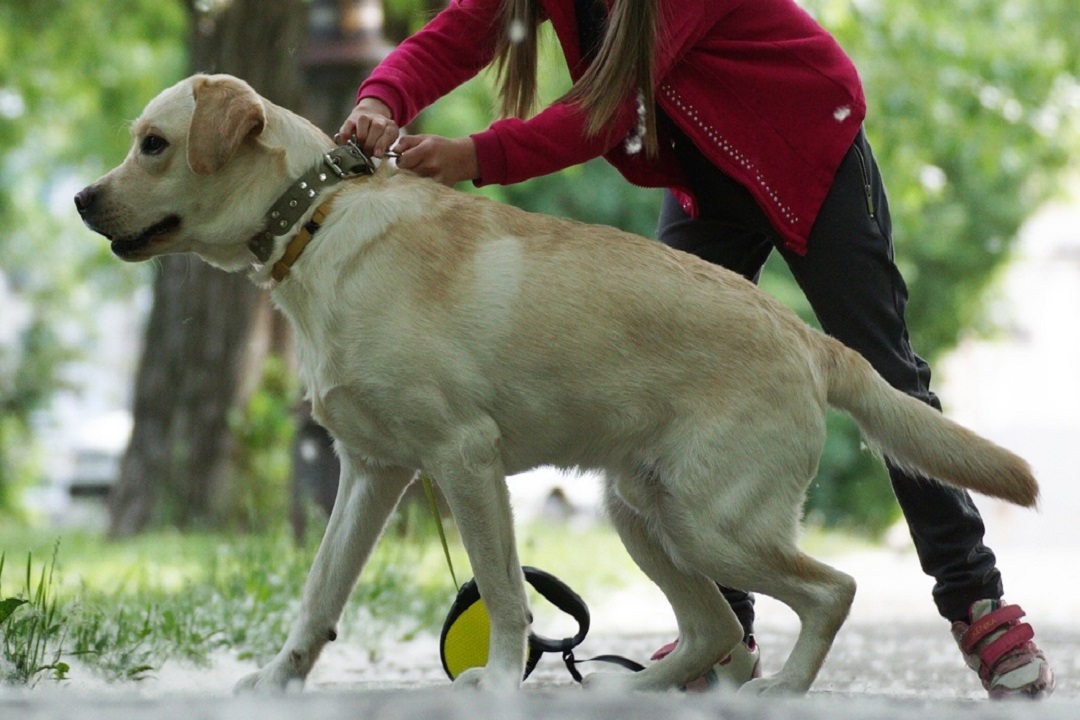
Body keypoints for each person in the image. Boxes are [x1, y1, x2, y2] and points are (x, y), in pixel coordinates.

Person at [337, 0, 1054, 699]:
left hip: (805, 154)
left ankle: (978, 607)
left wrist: (475, 154)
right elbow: (457, 31)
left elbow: (605, 111)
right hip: (703, 185)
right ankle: (724, 635)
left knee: (883, 373)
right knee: (669, 375)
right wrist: (381, 97)